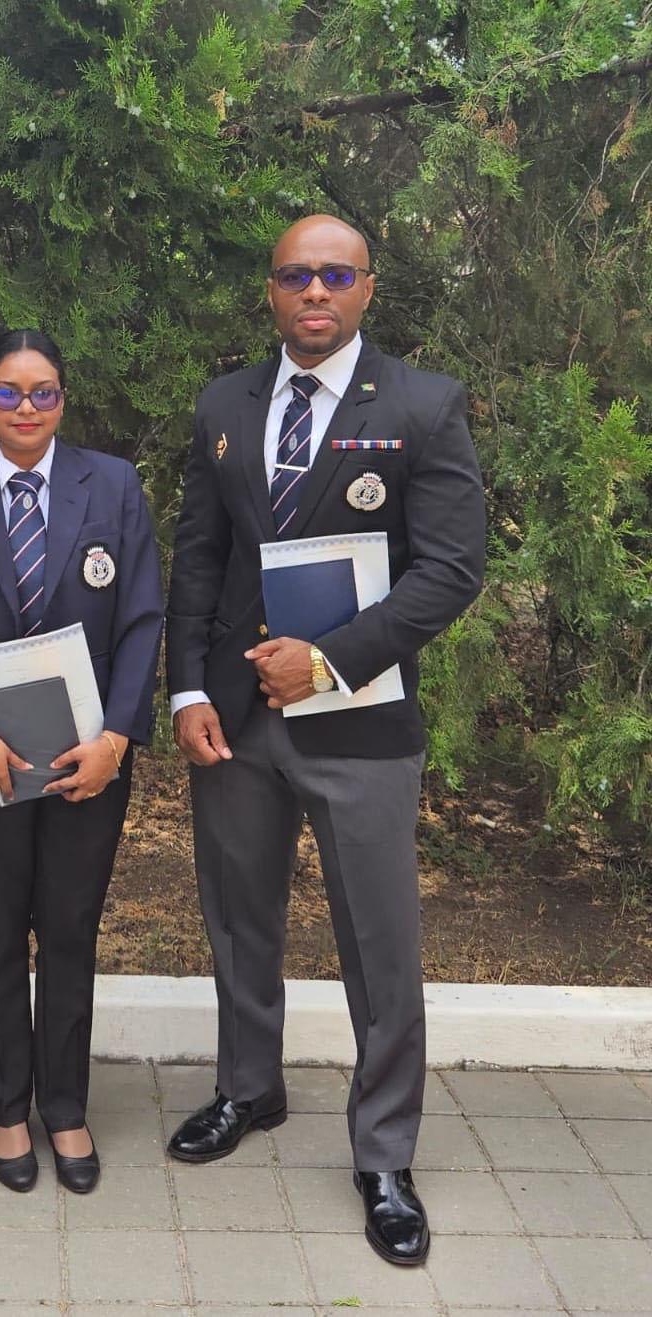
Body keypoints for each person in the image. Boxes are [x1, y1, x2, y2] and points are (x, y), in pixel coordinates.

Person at [164, 215, 486, 1265]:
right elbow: (200, 564)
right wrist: (183, 694)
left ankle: (384, 1153)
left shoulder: (422, 406)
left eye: (333, 275)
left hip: (363, 722)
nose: (314, 292)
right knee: (238, 922)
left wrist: (335, 660)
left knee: (379, 948)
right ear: (271, 290)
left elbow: (450, 571)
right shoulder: (224, 405)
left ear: (366, 289)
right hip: (239, 720)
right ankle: (248, 1091)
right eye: (296, 276)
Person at [0, 329, 163, 1194]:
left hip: (89, 755)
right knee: (0, 925)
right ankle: (6, 1107)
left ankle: (67, 1106)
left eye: (42, 391)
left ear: (63, 399)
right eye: (7, 392)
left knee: (73, 927)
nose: (25, 408)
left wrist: (118, 736)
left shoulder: (112, 487)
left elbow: (143, 619)